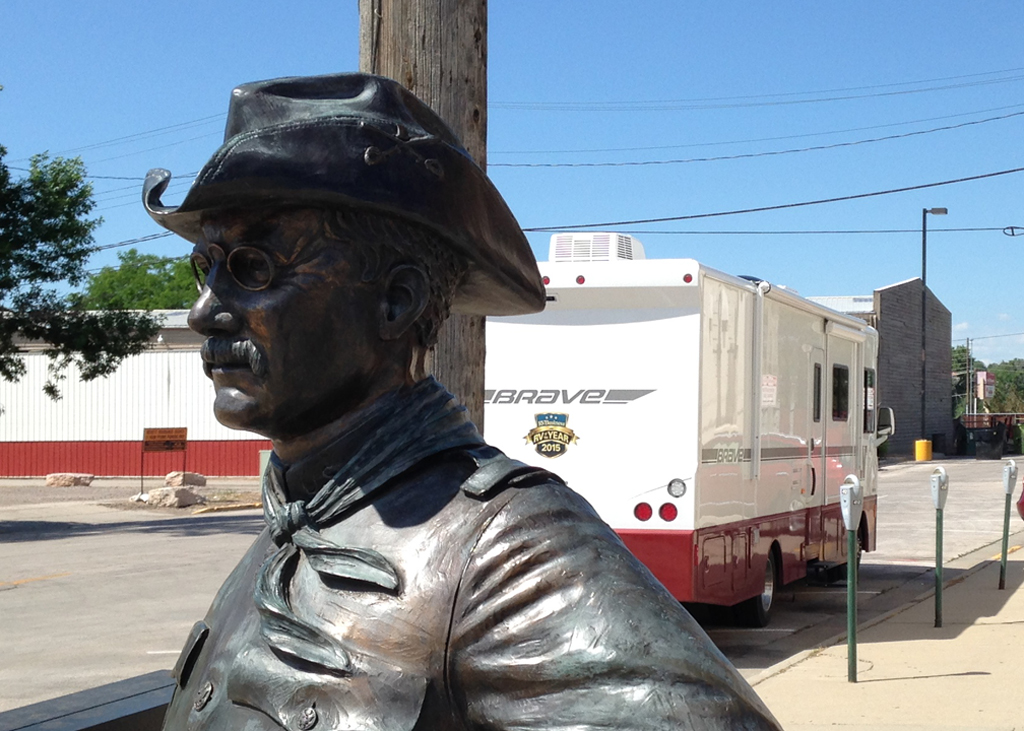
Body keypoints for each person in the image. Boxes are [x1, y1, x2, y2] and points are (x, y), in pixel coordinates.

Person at [144, 72, 781, 731]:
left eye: (252, 267)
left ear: (397, 302)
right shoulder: (291, 529)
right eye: (206, 267)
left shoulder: (507, 554)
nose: (203, 312)